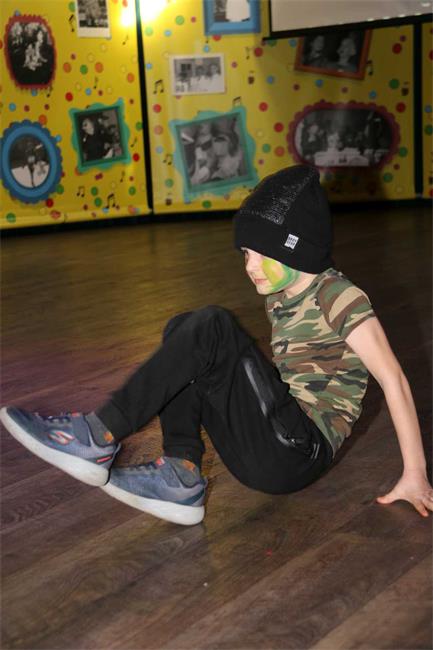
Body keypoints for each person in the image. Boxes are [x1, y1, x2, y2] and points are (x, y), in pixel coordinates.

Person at [1, 165, 432, 526]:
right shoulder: (282, 295)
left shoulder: (338, 294)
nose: (250, 266)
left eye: (261, 254)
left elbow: (393, 379)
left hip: (300, 449)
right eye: (245, 254)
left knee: (212, 325)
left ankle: (99, 432)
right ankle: (182, 473)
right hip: (271, 448)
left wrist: (414, 473)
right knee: (184, 327)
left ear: (296, 248)